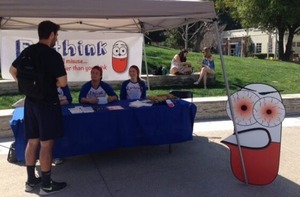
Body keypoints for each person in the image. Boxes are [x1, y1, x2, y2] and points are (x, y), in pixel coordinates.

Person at [9, 21, 67, 195]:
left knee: (32, 141)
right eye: (56, 35)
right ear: (51, 35)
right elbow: (63, 82)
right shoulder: (53, 55)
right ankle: (47, 184)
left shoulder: (28, 51)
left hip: (31, 103)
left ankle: (31, 180)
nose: (56, 38)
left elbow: (13, 70)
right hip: (47, 103)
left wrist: (28, 87)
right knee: (46, 144)